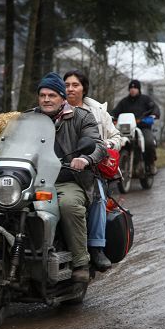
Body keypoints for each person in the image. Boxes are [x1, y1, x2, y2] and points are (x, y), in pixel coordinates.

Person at [0, 72, 106, 283]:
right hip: (32, 180)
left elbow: (98, 145)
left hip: (67, 180)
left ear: (62, 98)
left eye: (52, 95)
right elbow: (7, 142)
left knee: (69, 205)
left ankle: (81, 263)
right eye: (42, 95)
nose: (46, 99)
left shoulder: (82, 117)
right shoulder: (28, 118)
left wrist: (85, 158)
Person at [64, 69, 126, 272]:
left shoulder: (97, 112)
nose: (70, 89)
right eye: (67, 85)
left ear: (84, 89)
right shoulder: (54, 108)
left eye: (75, 85)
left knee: (97, 197)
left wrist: (103, 147)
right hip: (58, 167)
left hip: (91, 167)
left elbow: (117, 137)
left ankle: (96, 247)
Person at [110, 79, 161, 175]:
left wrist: (153, 115)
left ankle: (151, 164)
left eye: (135, 88)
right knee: (115, 144)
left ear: (139, 89)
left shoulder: (146, 99)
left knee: (149, 142)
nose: (133, 90)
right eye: (131, 88)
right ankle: (119, 167)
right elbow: (115, 112)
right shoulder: (124, 102)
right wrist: (111, 117)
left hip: (143, 127)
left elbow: (154, 108)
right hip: (126, 129)